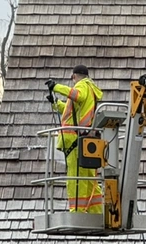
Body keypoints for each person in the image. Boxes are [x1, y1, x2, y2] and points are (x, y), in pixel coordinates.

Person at [45, 65, 104, 213]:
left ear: (74, 76)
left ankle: (76, 211)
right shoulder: (90, 89)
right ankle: (96, 211)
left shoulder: (83, 85)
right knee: (90, 178)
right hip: (85, 138)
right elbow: (71, 113)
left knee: (75, 177)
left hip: (75, 139)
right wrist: (56, 103)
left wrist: (56, 87)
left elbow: (78, 95)